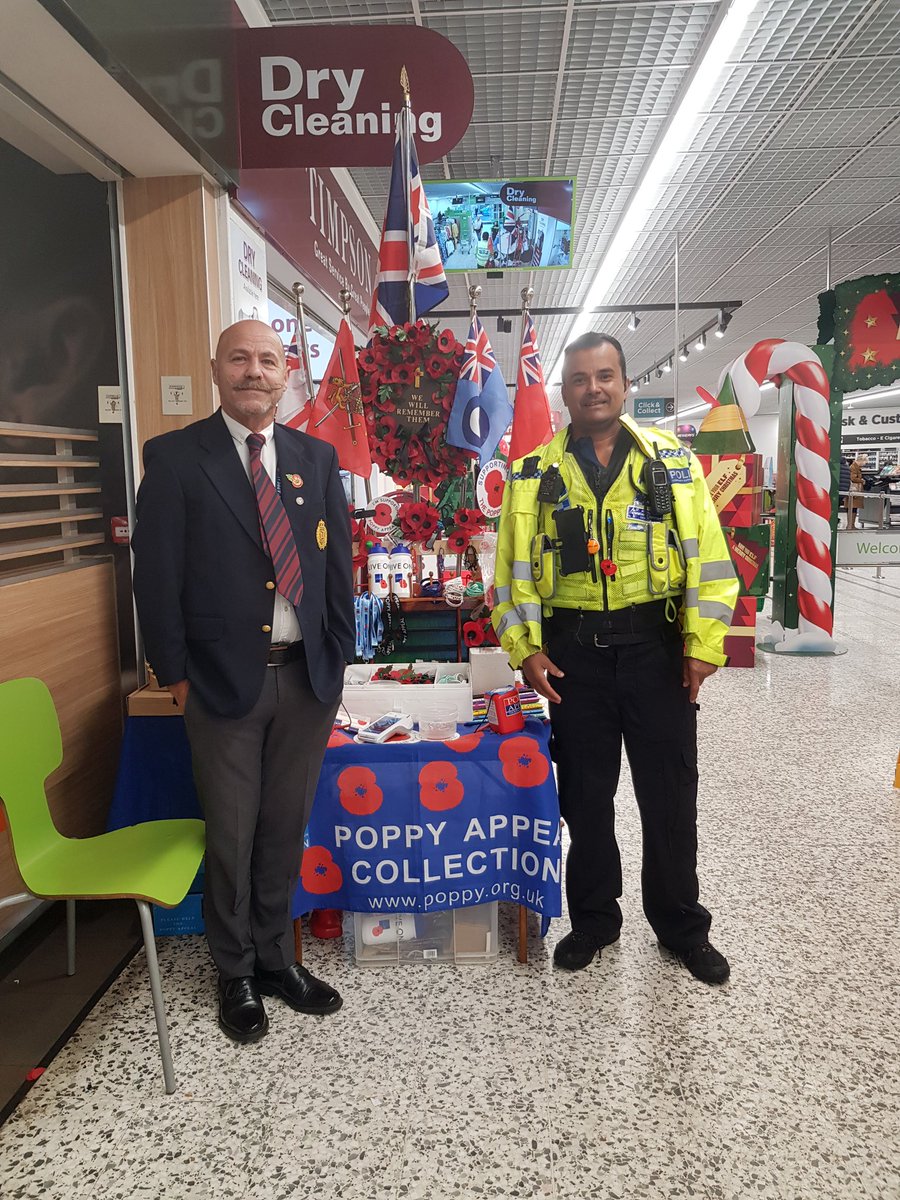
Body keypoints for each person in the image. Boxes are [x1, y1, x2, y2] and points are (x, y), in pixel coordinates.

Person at [132, 319, 355, 1043]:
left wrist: (337, 660)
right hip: (221, 688)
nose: (253, 372)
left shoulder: (316, 460)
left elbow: (337, 575)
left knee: (283, 830)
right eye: (239, 359)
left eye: (266, 360)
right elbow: (154, 583)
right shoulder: (172, 459)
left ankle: (273, 958)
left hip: (305, 681)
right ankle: (233, 972)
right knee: (231, 833)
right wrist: (177, 680)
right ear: (216, 370)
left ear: (286, 372)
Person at [491, 332, 738, 984]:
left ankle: (682, 926)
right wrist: (526, 650)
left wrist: (702, 646)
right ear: (564, 390)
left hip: (658, 652)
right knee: (585, 801)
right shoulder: (532, 475)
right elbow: (512, 574)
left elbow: (710, 563)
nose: (593, 387)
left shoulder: (673, 463)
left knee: (669, 799)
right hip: (574, 658)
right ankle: (595, 921)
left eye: (605, 376)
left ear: (624, 385)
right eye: (580, 378)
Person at [848, 456, 865, 530]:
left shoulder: (856, 467)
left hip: (855, 490)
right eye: (865, 461)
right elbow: (853, 478)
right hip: (854, 490)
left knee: (854, 508)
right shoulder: (854, 467)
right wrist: (862, 480)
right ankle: (850, 525)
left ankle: (852, 524)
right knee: (852, 508)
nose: (865, 463)